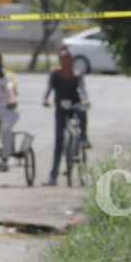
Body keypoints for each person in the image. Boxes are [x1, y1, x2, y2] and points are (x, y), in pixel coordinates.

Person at [42, 48, 91, 186]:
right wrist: (45, 99)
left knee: (82, 111)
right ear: (59, 60)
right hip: (60, 109)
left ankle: (84, 138)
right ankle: (53, 175)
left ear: (71, 60)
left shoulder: (77, 74)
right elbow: (49, 88)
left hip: (74, 106)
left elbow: (82, 89)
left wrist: (85, 99)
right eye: (62, 59)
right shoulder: (55, 74)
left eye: (67, 59)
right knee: (59, 140)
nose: (65, 62)